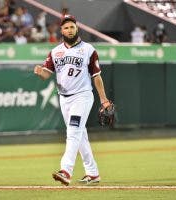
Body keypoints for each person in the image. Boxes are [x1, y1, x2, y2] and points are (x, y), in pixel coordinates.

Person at [34, 15, 112, 186]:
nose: (69, 30)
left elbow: (96, 77)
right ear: (61, 31)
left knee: (73, 132)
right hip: (64, 99)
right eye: (66, 28)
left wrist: (104, 99)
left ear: (77, 28)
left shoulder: (88, 50)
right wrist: (41, 72)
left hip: (82, 96)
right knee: (80, 135)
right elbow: (47, 74)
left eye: (72, 27)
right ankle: (92, 173)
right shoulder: (55, 52)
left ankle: (66, 170)